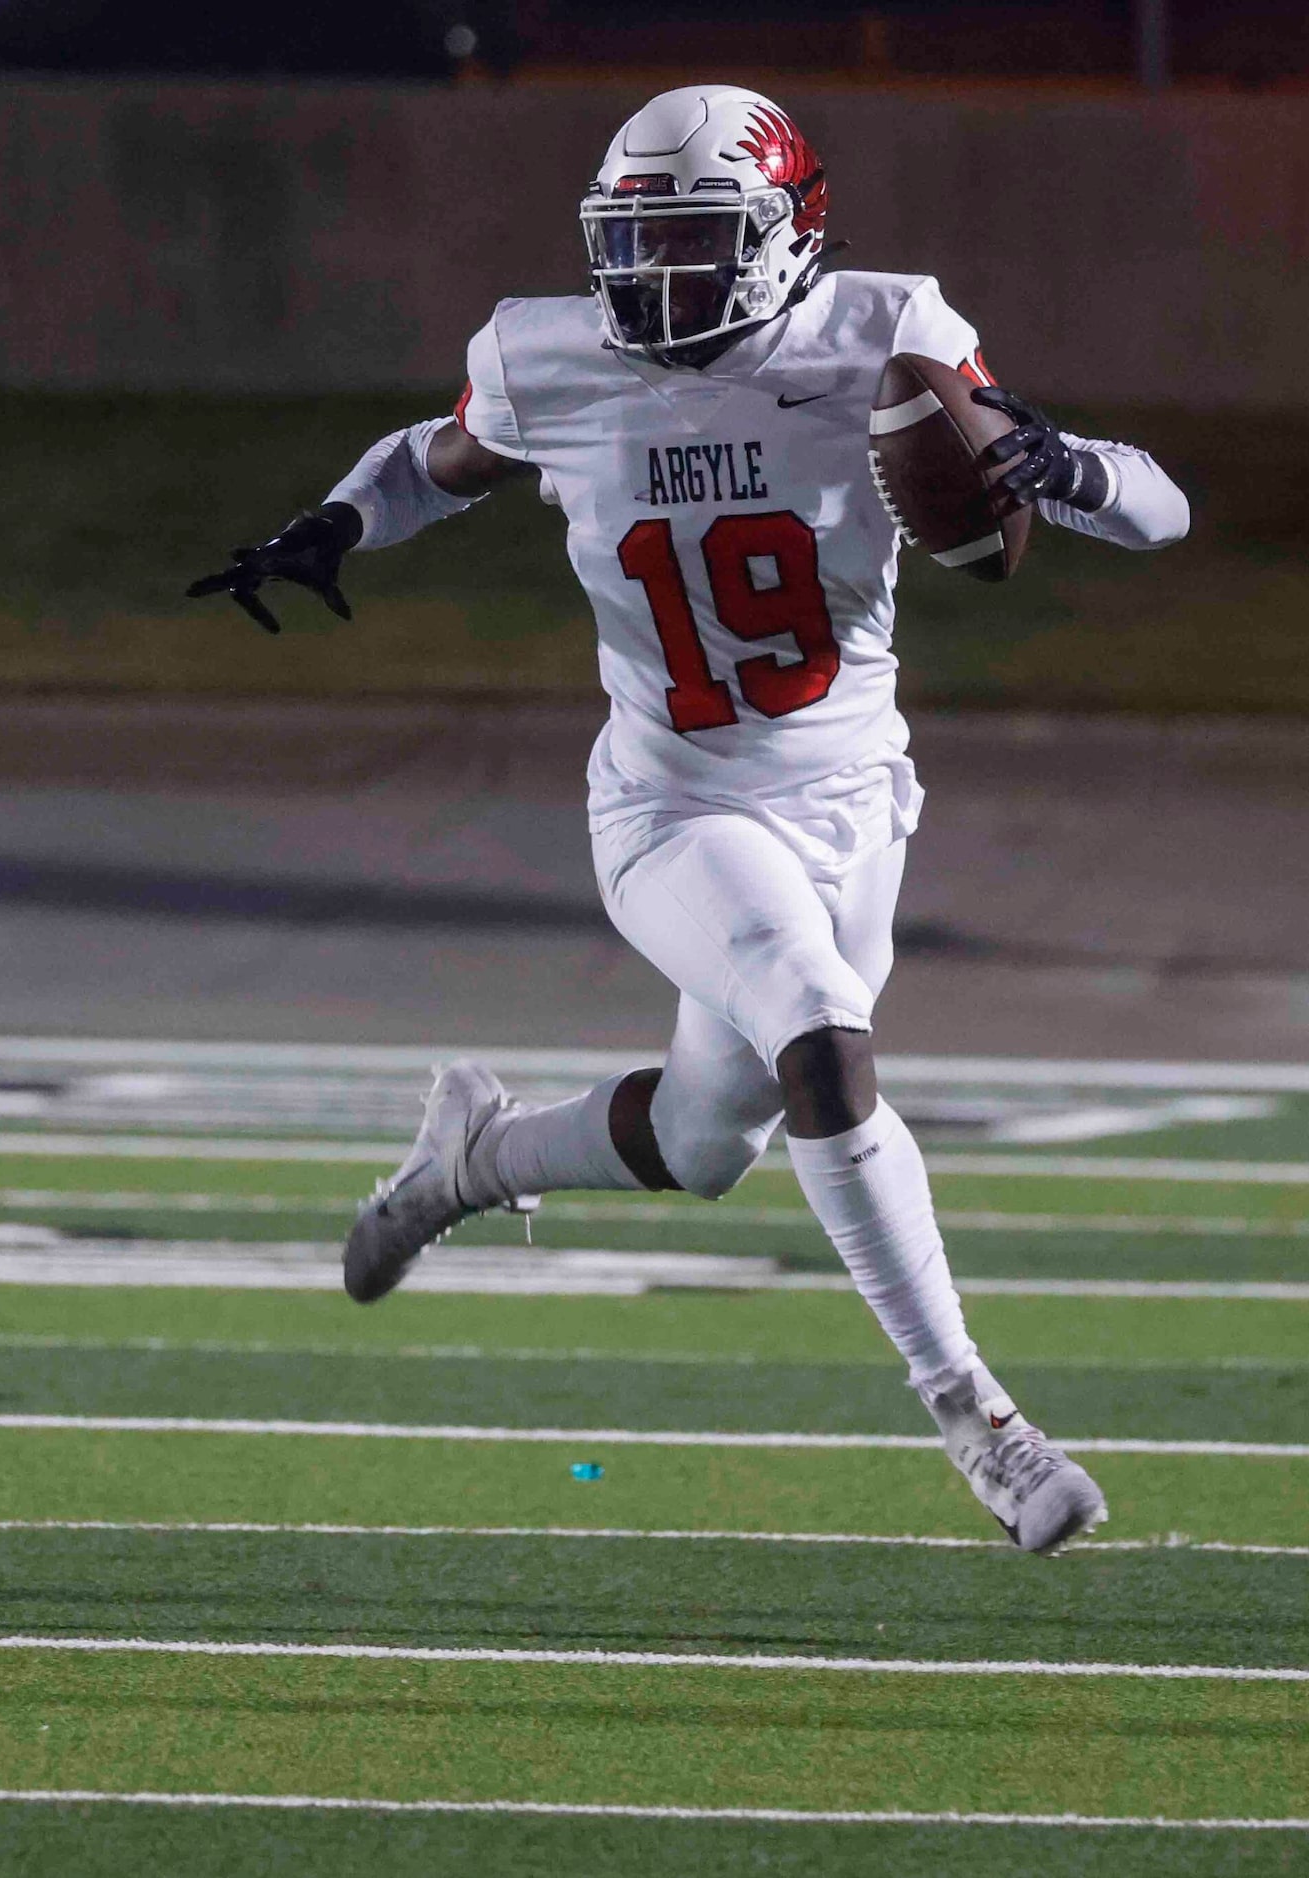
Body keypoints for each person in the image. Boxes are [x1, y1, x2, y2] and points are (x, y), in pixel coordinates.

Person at [188, 87, 1188, 1554]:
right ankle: (981, 1421)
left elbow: (1160, 508)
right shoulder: (550, 356)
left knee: (712, 1133)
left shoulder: (885, 336)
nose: (656, 279)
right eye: (635, 242)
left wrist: (1073, 472)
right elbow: (432, 460)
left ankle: (467, 1161)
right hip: (671, 800)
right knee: (826, 1039)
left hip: (853, 801)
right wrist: (334, 520)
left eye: (697, 239)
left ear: (791, 235)